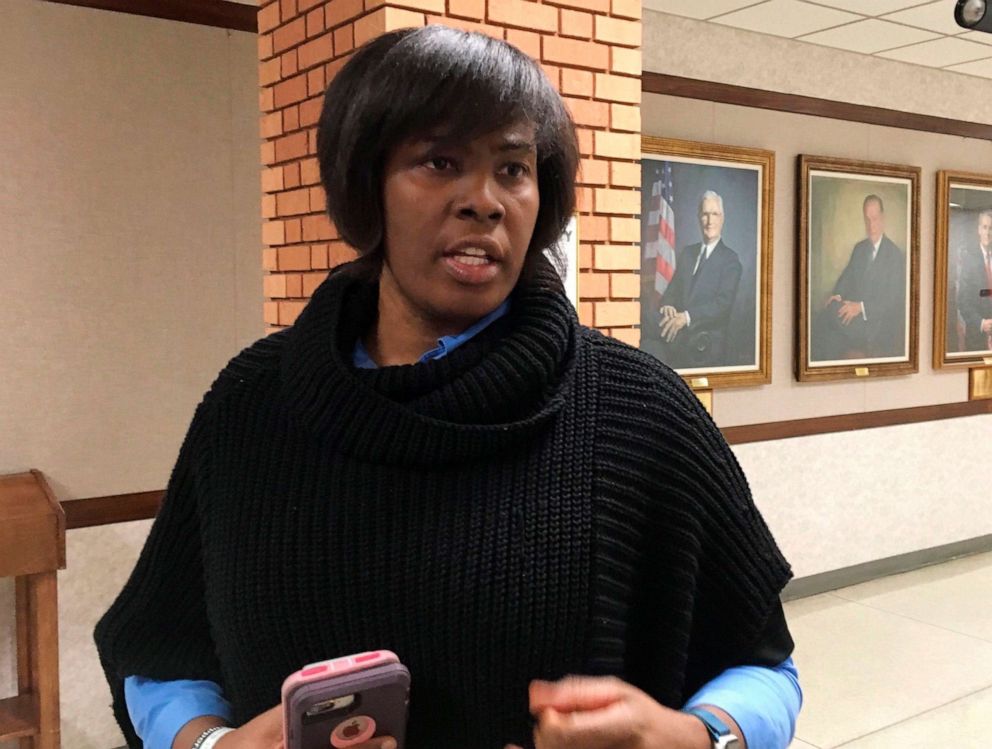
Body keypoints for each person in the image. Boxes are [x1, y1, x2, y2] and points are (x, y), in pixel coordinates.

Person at [95, 26, 801, 749]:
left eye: (513, 168)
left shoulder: (640, 411)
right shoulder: (250, 406)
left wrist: (699, 737)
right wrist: (212, 745)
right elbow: (157, 654)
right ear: (366, 183)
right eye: (440, 161)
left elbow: (764, 663)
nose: (484, 201)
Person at [641, 191, 742, 369]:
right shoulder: (688, 254)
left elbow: (722, 306)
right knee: (647, 334)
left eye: (715, 214)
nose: (710, 221)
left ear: (722, 218)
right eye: (705, 214)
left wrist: (686, 318)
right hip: (677, 332)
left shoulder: (730, 260)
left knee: (651, 339)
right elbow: (671, 292)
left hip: (704, 339)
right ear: (698, 217)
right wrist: (669, 306)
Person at [812, 195, 906, 362]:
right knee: (824, 327)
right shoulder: (860, 249)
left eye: (875, 219)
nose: (871, 225)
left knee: (825, 319)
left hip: (876, 325)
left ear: (883, 218)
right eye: (867, 219)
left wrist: (860, 307)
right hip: (853, 319)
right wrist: (838, 295)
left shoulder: (894, 255)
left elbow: (892, 302)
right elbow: (846, 278)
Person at [957, 208, 992, 352]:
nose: (988, 233)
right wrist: (981, 323)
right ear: (979, 230)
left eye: (991, 228)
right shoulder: (968, 259)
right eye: (985, 227)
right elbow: (963, 301)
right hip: (977, 336)